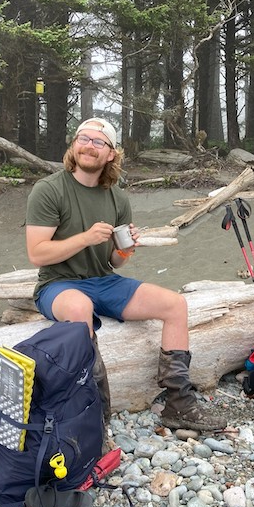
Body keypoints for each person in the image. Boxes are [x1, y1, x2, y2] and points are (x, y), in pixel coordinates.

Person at [25, 117, 226, 432]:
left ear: (110, 154)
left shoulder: (116, 197)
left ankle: (179, 405)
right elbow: (37, 253)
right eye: (83, 139)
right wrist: (86, 238)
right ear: (74, 146)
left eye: (98, 142)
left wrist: (125, 249)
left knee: (175, 305)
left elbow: (115, 262)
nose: (89, 146)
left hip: (103, 281)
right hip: (58, 285)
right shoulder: (49, 189)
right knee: (79, 307)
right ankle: (95, 415)